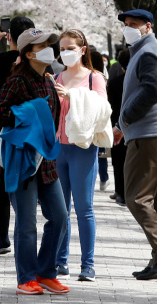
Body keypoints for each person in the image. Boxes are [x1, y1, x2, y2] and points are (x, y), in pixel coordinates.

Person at [0, 28, 69, 296]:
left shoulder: (49, 80)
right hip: (21, 161)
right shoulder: (16, 81)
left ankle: (46, 272)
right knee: (27, 223)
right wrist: (29, 116)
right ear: (28, 54)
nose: (50, 48)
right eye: (42, 45)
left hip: (46, 162)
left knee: (60, 217)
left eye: (50, 43)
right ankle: (26, 278)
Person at [116, 9, 157, 281]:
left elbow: (151, 90)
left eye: (134, 24)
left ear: (148, 26)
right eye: (127, 24)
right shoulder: (151, 50)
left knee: (136, 197)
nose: (129, 28)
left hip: (148, 135)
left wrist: (127, 116)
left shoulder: (148, 52)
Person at [51, 29, 108, 282]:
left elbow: (102, 108)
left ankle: (88, 265)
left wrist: (72, 95)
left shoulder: (94, 78)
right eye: (62, 49)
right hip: (58, 148)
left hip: (83, 149)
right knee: (60, 210)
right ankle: (60, 261)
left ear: (83, 50)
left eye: (71, 48)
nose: (66, 53)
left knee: (84, 208)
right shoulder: (56, 76)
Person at [0, 15, 35, 254]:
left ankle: (3, 236)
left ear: (9, 36)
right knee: (27, 182)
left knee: (0, 184)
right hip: (30, 129)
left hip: (2, 129)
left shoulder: (0, 60)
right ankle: (26, 230)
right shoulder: (36, 62)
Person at [107, 49, 130, 205]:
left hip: (116, 123)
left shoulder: (114, 83)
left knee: (118, 159)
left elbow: (111, 106)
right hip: (135, 126)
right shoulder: (141, 82)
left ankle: (120, 191)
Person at [88, 49, 110, 192]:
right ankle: (103, 178)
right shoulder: (102, 77)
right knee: (100, 152)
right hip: (99, 122)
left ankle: (98, 178)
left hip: (90, 120)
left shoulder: (91, 77)